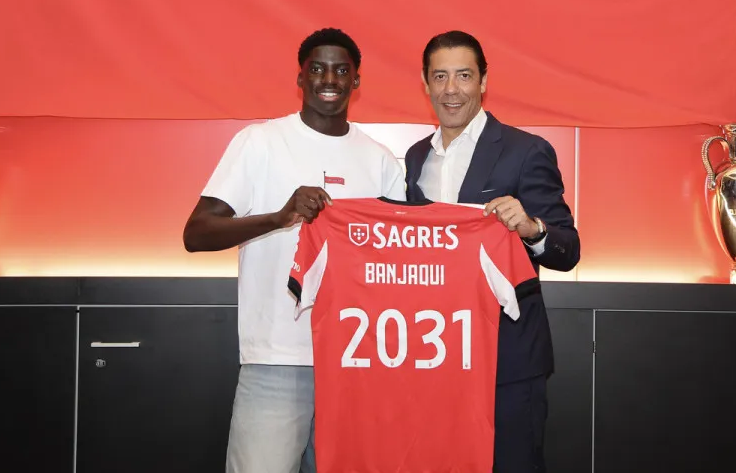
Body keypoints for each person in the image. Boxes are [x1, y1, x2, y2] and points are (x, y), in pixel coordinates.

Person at [183, 27, 405, 473]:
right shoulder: (260, 142)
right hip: (276, 360)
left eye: (341, 70)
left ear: (356, 81)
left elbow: (395, 263)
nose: (330, 79)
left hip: (356, 363)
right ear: (301, 77)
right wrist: (279, 217)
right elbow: (196, 233)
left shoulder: (381, 160)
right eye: (318, 69)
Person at [404, 30, 580, 473]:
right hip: (435, 354)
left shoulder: (526, 151)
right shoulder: (414, 159)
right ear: (425, 84)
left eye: (464, 75)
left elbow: (568, 250)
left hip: (507, 360)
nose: (451, 89)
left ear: (483, 81)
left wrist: (531, 228)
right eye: (440, 76)